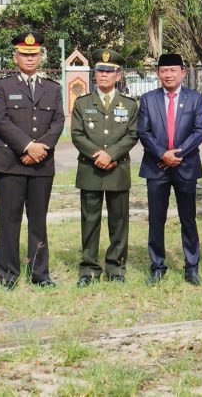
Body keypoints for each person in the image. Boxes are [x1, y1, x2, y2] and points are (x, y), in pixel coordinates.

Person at [0, 32, 65, 289]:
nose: (29, 58)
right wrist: (28, 146)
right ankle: (7, 274)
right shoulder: (1, 87)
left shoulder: (53, 88)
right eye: (24, 54)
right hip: (11, 162)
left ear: (40, 56)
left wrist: (40, 148)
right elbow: (0, 120)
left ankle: (39, 273)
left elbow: (58, 122)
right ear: (15, 56)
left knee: (38, 220)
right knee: (9, 220)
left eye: (34, 54)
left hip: (42, 163)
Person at [136, 52, 202, 285]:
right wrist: (162, 154)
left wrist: (178, 154)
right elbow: (143, 132)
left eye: (173, 70)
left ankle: (191, 267)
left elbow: (199, 131)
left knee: (188, 218)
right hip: (156, 167)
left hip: (185, 166)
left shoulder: (195, 98)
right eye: (164, 71)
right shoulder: (148, 99)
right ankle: (157, 267)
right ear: (158, 73)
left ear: (182, 72)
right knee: (156, 219)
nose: (168, 75)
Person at [70, 50, 139, 286]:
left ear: (118, 75)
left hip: (117, 168)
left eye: (109, 71)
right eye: (100, 70)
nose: (104, 75)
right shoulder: (82, 103)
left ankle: (116, 268)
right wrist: (97, 154)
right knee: (89, 220)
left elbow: (132, 135)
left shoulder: (129, 105)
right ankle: (89, 269)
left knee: (119, 221)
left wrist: (111, 154)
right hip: (90, 169)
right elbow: (77, 135)